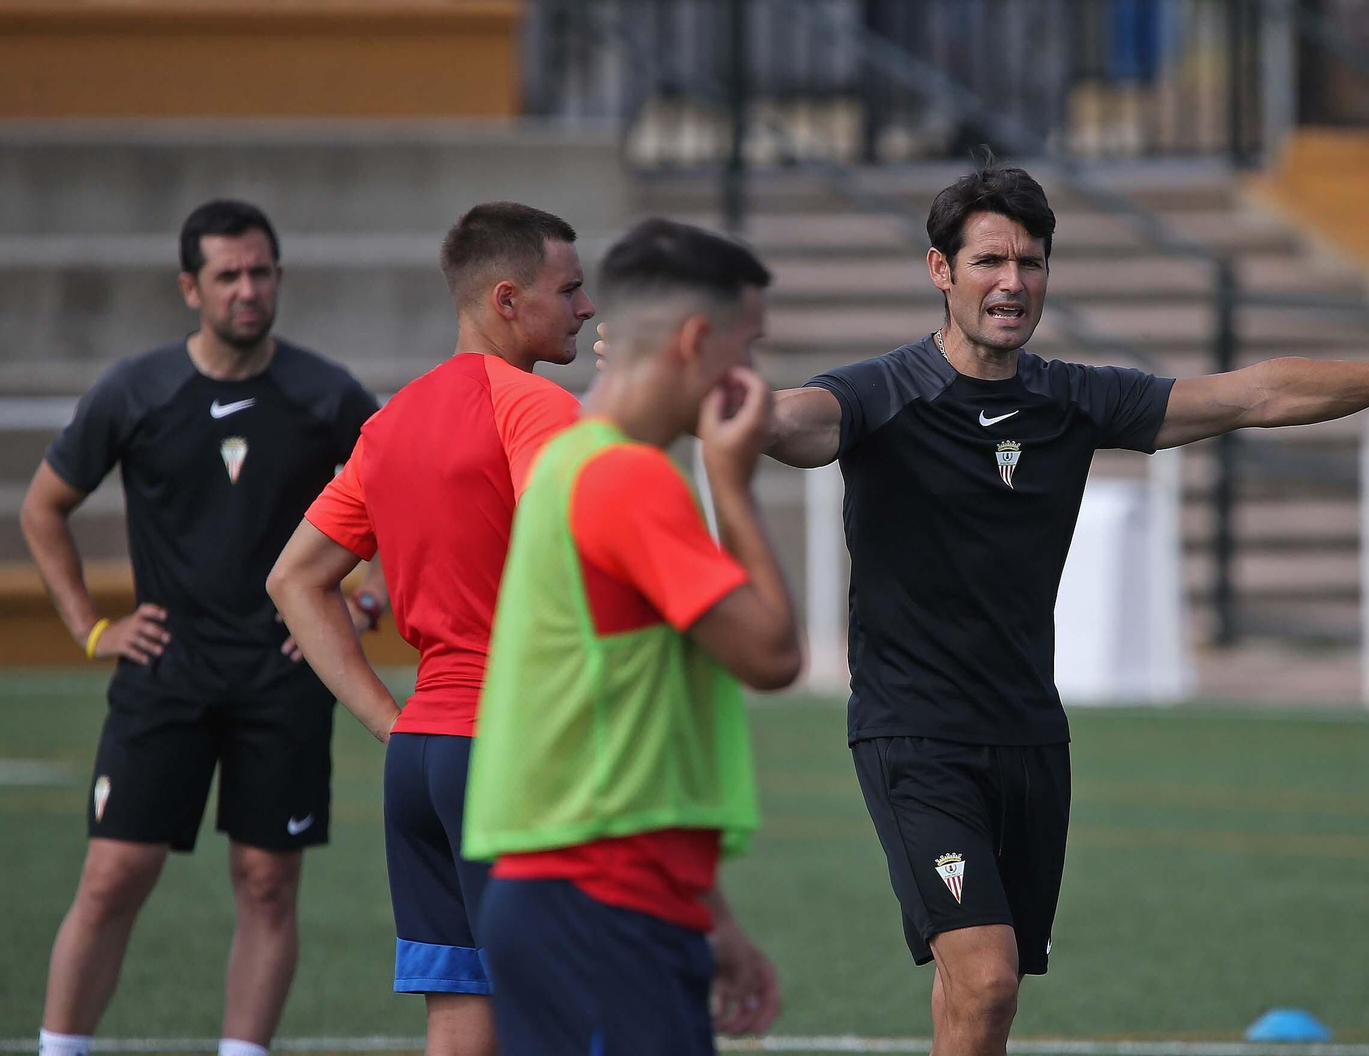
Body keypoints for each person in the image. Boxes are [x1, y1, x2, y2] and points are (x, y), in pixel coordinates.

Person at [745, 164, 1369, 1056]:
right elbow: (791, 424)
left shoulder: (1072, 399)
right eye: (988, 262)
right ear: (940, 270)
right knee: (985, 976)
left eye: (1031, 262)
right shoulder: (881, 395)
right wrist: (709, 394)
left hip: (1030, 738)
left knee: (979, 991)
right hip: (914, 736)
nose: (1012, 282)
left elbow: (1257, 394)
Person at [20, 199, 384, 1056]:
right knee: (114, 875)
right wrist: (88, 627)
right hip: (166, 672)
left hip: (283, 675)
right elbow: (44, 509)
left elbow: (405, 507)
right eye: (228, 275)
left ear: (279, 278)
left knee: (267, 884)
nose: (248, 290)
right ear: (191, 287)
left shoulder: (325, 393)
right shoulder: (135, 390)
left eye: (261, 272)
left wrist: (362, 607)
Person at [462, 218, 799, 1055]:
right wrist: (732, 483)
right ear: (695, 342)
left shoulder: (574, 463)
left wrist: (710, 917)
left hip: (590, 896)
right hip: (600, 905)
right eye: (746, 347)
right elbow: (773, 655)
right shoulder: (627, 479)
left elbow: (634, 726)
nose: (753, 376)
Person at [266, 202, 593, 1055]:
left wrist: (387, 718)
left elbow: (293, 579)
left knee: (459, 1012)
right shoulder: (538, 409)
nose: (587, 309)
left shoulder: (389, 423)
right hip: (514, 749)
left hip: (422, 756)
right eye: (572, 289)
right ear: (510, 299)